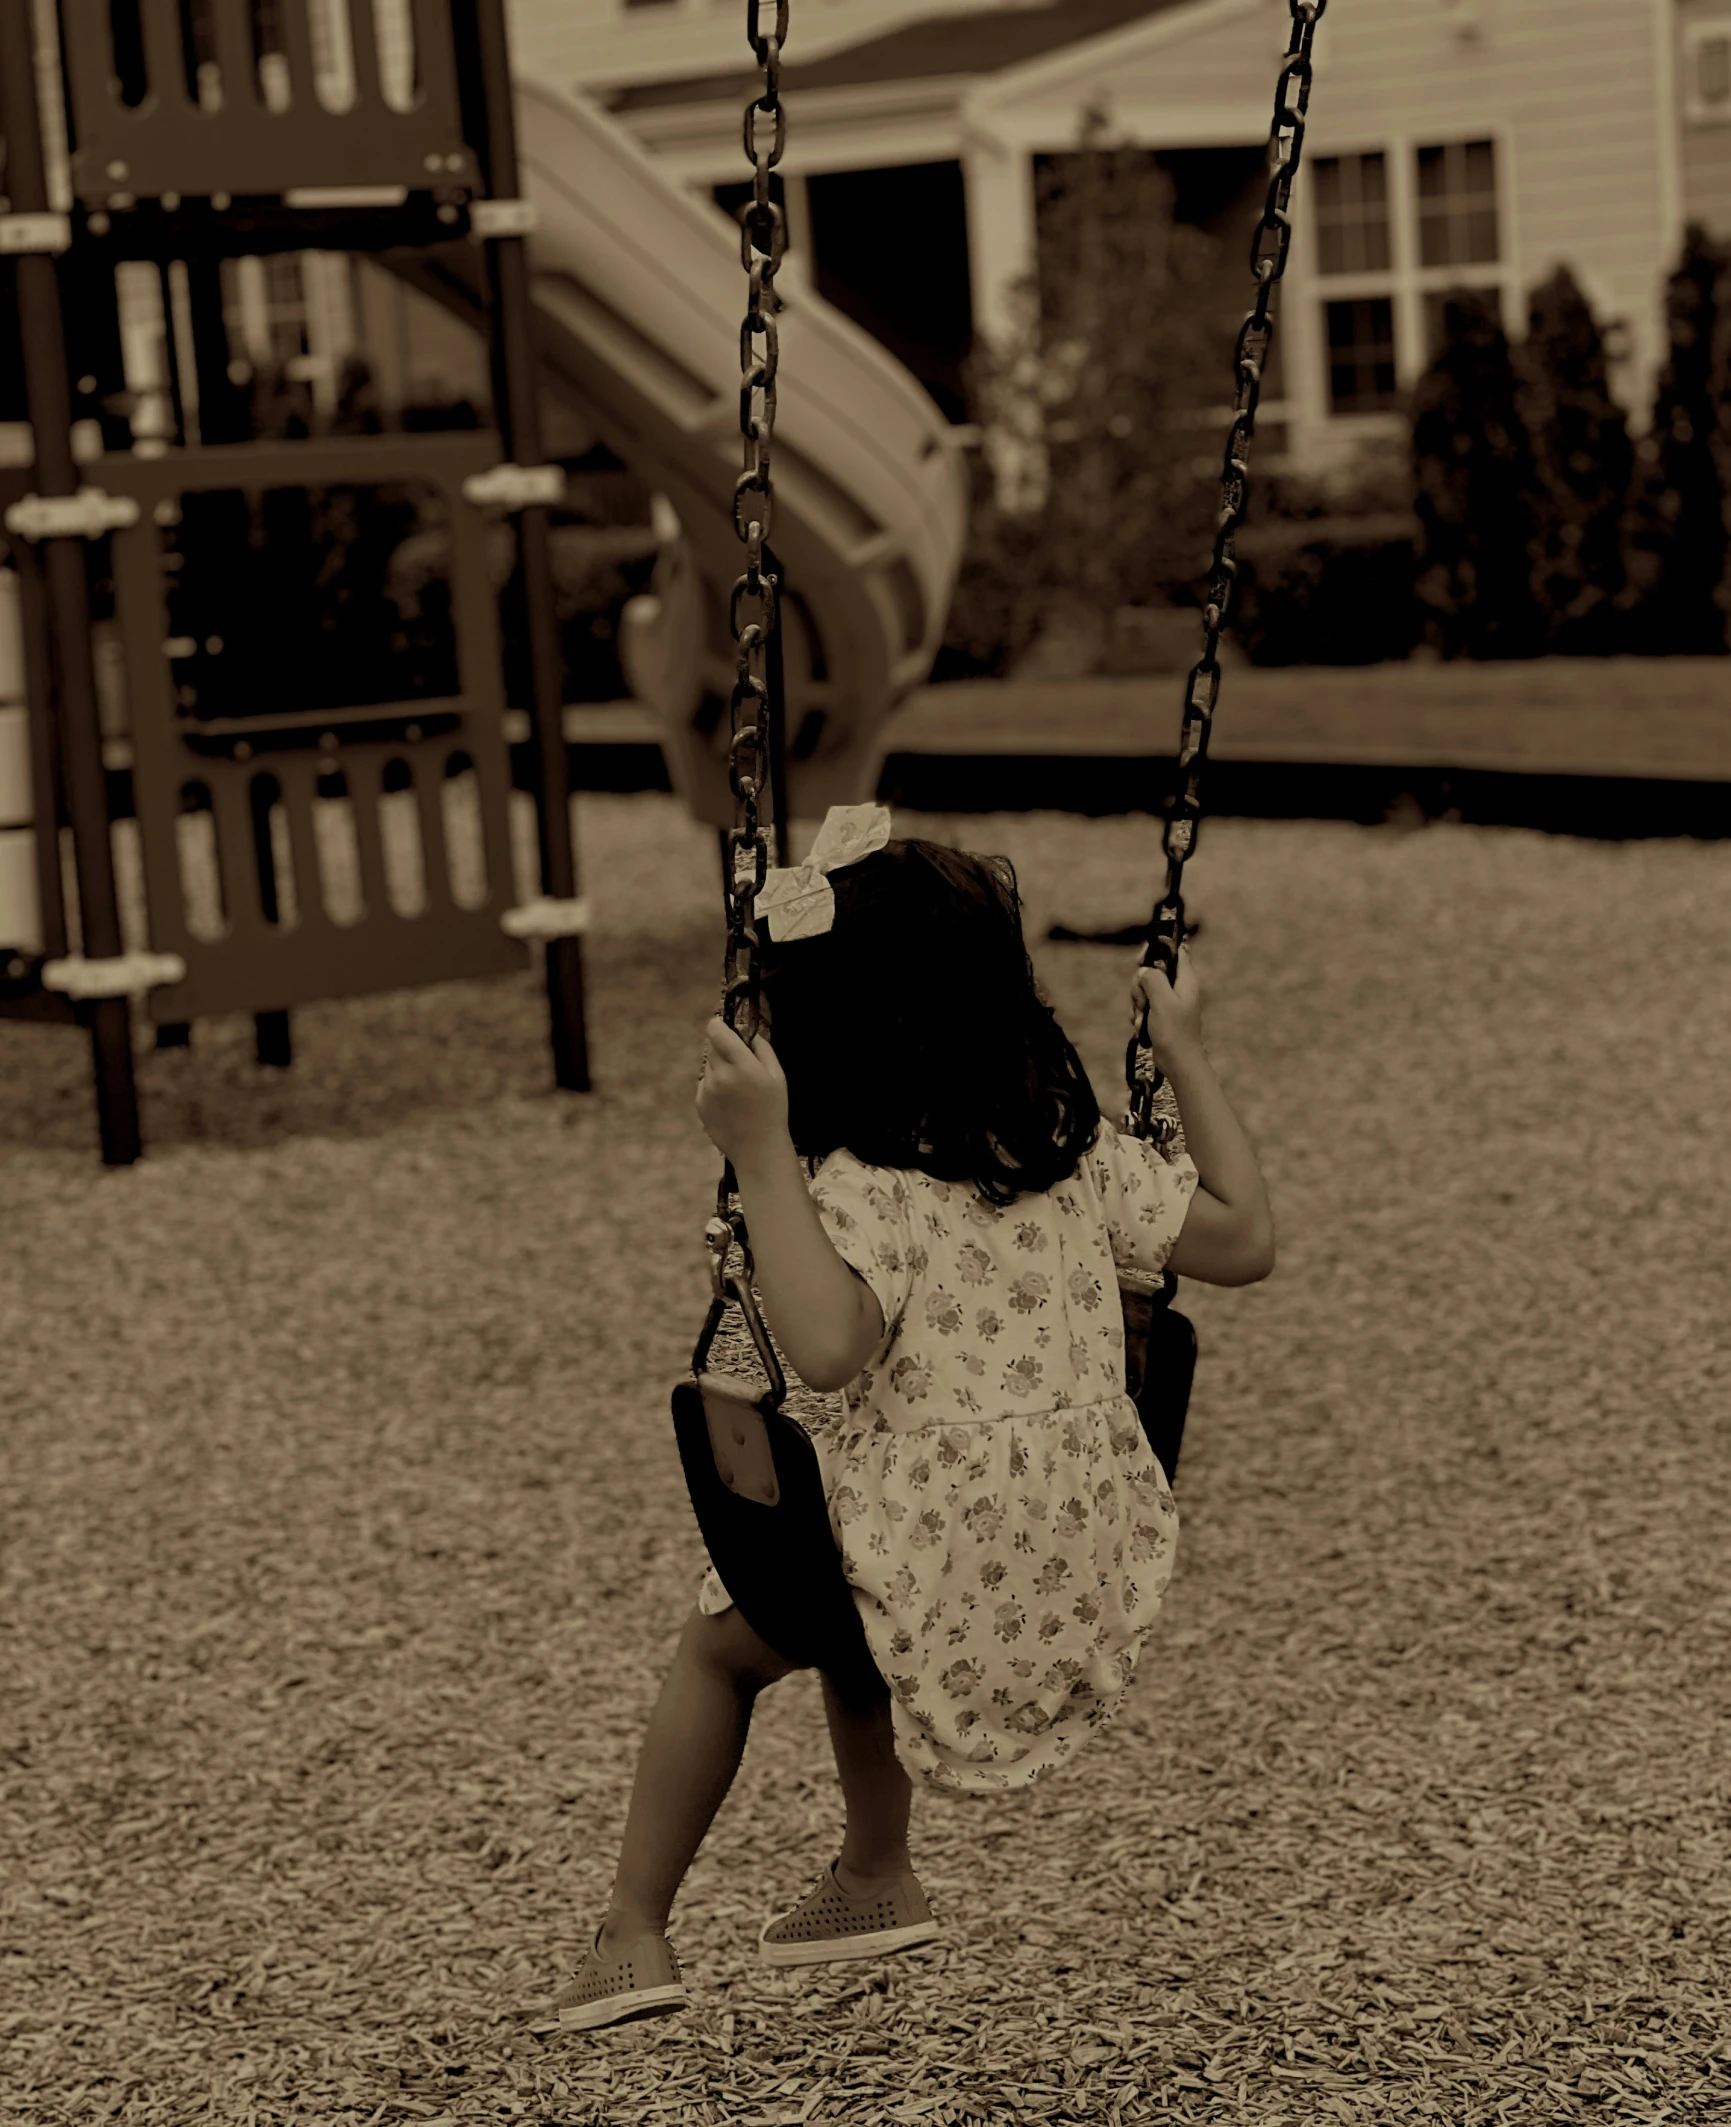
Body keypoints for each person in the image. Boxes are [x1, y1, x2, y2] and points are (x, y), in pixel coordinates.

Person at [551, 805, 1274, 2031]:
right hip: (1084, 1557)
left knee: (725, 1643)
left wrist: (762, 1153)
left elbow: (830, 1350)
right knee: (861, 1551)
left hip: (937, 1562)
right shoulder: (1073, 1151)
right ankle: (874, 1875)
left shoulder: (861, 1186)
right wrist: (1184, 1047)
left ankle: (633, 1930)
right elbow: (1246, 1241)